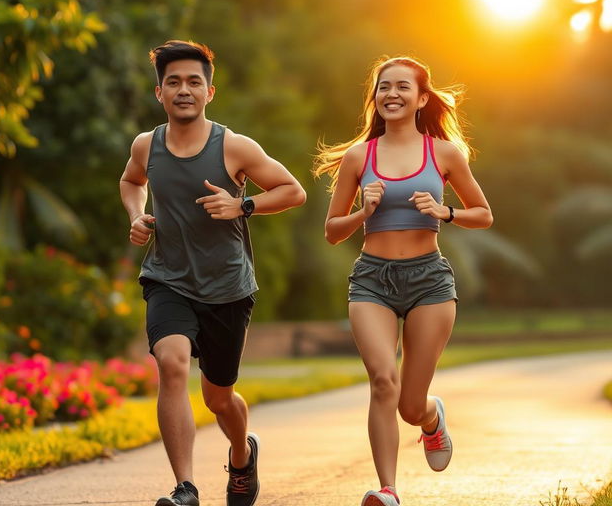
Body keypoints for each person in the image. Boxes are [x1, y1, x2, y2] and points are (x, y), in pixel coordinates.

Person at [120, 40, 306, 506]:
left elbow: (293, 190)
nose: (184, 90)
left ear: (210, 91)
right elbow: (130, 182)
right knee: (171, 364)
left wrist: (241, 204)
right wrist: (136, 215)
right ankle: (185, 487)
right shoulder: (147, 145)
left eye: (193, 82)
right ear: (159, 92)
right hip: (167, 278)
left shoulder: (235, 146)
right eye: (174, 82)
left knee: (219, 398)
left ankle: (242, 454)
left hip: (227, 287)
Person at [314, 56, 492, 506]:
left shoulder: (444, 153)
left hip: (429, 281)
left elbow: (484, 215)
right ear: (374, 98)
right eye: (383, 87)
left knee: (409, 406)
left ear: (422, 98)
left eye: (402, 88)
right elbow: (333, 231)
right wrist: (362, 212)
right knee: (381, 382)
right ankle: (388, 490)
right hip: (371, 280)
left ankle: (431, 418)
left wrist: (444, 212)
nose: (391, 94)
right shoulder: (360, 156)